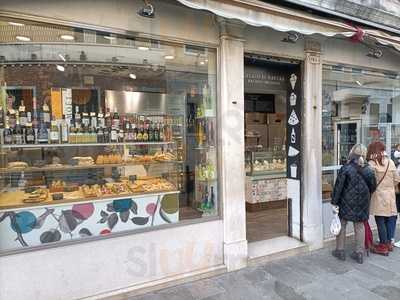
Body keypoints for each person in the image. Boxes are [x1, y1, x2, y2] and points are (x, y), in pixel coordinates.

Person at [331, 144, 376, 264]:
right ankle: (359, 253)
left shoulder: (346, 168)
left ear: (352, 153)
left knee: (342, 224)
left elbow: (338, 187)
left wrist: (334, 202)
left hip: (345, 202)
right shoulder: (369, 169)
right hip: (362, 203)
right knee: (360, 226)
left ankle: (340, 251)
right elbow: (373, 187)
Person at [367, 141, 400, 255]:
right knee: (389, 219)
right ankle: (388, 243)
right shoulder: (390, 162)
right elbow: (397, 179)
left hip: (379, 195)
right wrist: (390, 187)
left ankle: (383, 245)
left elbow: (370, 181)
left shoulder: (372, 163)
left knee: (380, 220)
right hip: (390, 195)